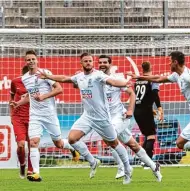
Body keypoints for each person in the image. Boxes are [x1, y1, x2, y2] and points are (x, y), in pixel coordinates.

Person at [128, 51, 190, 184]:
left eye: (170, 61)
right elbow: (159, 79)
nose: (168, 63)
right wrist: (139, 77)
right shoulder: (177, 75)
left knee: (180, 143)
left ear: (175, 62)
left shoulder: (187, 76)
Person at [38, 52, 133, 184]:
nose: (88, 63)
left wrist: (125, 83)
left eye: (90, 61)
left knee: (114, 143)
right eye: (86, 61)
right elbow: (65, 78)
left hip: (102, 117)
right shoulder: (79, 77)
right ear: (81, 63)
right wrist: (48, 76)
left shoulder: (98, 75)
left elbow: (113, 81)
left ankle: (128, 170)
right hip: (87, 116)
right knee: (72, 139)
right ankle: (93, 161)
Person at [13, 50, 80, 182]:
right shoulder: (25, 78)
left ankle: (71, 147)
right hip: (35, 115)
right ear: (25, 62)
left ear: (37, 60)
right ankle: (35, 173)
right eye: (28, 60)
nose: (31, 61)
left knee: (59, 143)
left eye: (33, 59)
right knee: (33, 142)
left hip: (49, 115)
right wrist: (18, 103)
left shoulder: (45, 73)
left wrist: (43, 96)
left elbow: (59, 89)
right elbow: (30, 96)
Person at [97, 55, 162, 181]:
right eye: (100, 62)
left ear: (110, 64)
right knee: (134, 145)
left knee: (110, 137)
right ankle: (154, 167)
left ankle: (123, 167)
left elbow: (131, 93)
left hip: (121, 116)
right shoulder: (97, 78)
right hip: (109, 118)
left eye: (105, 62)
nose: (102, 64)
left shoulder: (118, 78)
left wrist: (130, 110)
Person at [133, 61, 164, 169]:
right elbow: (155, 94)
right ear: (151, 67)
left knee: (147, 135)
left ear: (142, 69)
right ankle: (148, 162)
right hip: (145, 110)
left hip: (137, 111)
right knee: (151, 135)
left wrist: (150, 109)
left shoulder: (138, 80)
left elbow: (140, 97)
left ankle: (143, 160)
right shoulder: (152, 79)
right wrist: (159, 108)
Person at [9, 65, 33, 179]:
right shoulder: (15, 82)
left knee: (32, 145)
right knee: (21, 145)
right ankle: (22, 164)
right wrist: (11, 115)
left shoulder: (37, 83)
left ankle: (31, 171)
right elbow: (11, 98)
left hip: (33, 118)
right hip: (18, 118)